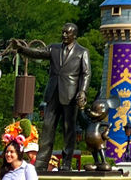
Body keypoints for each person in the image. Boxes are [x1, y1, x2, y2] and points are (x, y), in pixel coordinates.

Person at [9, 25, 91, 171]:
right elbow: (38, 53)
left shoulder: (82, 52)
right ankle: (41, 162)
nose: (64, 35)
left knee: (68, 130)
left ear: (75, 35)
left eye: (68, 33)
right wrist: (22, 49)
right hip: (53, 93)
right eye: (63, 32)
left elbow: (86, 73)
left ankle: (66, 163)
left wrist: (83, 91)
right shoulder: (54, 48)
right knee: (47, 128)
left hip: (71, 95)